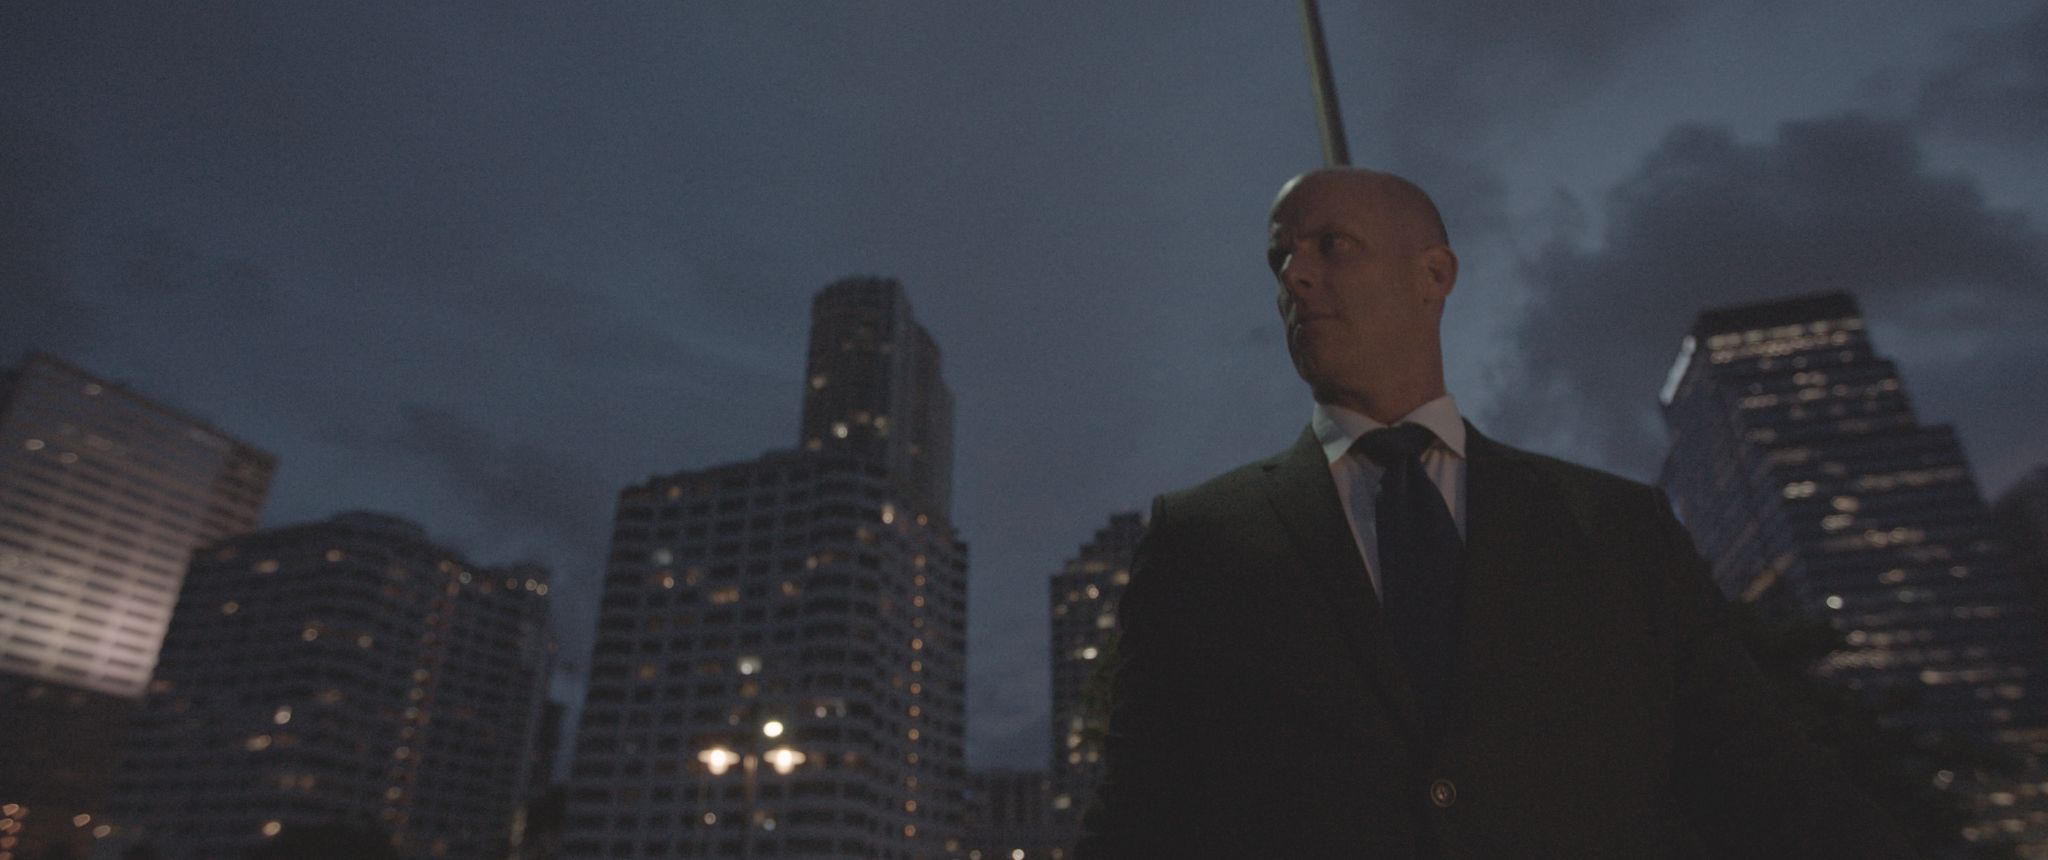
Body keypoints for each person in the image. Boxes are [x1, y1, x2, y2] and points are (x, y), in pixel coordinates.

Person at [1074, 168, 1914, 859]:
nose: (1294, 274)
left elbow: (1768, 783)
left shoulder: (1616, 527)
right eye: (1280, 257)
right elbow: (1142, 818)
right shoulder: (1202, 537)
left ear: (1433, 275)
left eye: (1331, 245)